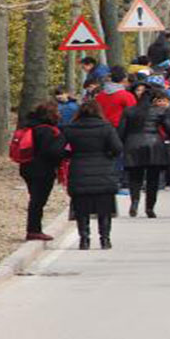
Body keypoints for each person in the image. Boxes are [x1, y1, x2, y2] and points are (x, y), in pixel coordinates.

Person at [62, 100, 123, 250]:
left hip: (80, 168)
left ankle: (84, 239)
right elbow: (117, 148)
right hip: (103, 169)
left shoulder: (71, 128)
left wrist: (71, 155)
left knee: (81, 207)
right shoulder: (106, 127)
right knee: (105, 208)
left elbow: (60, 149)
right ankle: (105, 239)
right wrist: (108, 155)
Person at [118, 88, 170, 218]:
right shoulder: (159, 111)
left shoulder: (129, 111)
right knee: (153, 178)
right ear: (153, 100)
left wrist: (120, 146)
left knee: (135, 177)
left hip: (133, 143)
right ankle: (150, 207)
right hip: (154, 144)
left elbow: (121, 131)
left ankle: (134, 202)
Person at [19, 101, 67, 241]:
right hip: (43, 169)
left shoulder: (30, 127)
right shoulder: (48, 131)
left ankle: (34, 228)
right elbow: (52, 152)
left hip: (27, 166)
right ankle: (34, 230)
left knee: (35, 198)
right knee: (38, 201)